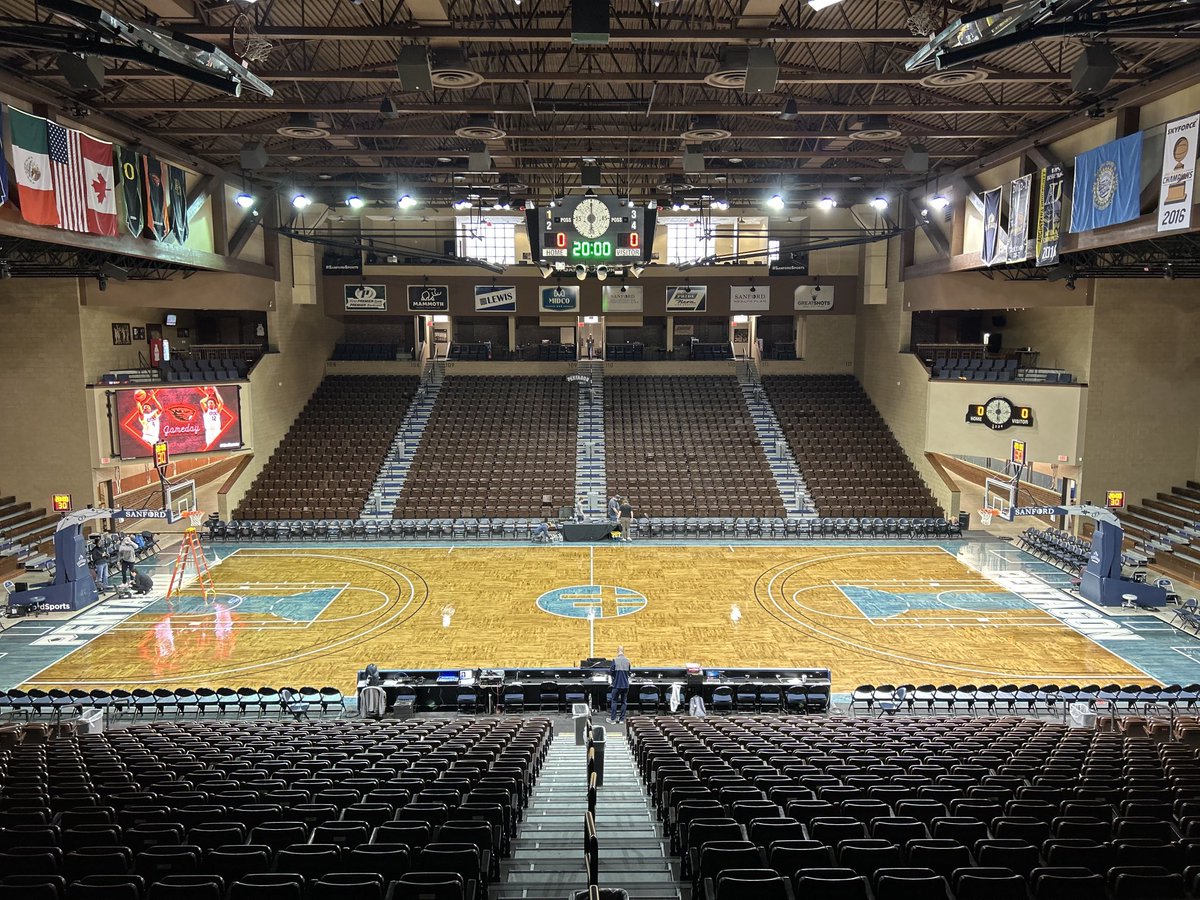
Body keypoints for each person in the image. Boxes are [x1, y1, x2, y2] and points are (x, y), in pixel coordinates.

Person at [609, 647, 631, 724]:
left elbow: (611, 672)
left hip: (616, 685)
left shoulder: (615, 660)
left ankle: (613, 719)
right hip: (625, 685)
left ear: (617, 651)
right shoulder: (628, 661)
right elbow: (629, 673)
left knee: (614, 701)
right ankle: (622, 720)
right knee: (624, 702)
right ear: (623, 651)